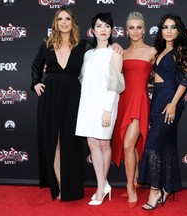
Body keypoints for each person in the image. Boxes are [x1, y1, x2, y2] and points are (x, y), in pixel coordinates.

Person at [31, 7, 122, 202]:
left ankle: (76, 188)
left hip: (74, 97)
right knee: (53, 143)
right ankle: (61, 187)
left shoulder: (84, 46)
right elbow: (36, 66)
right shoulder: (46, 45)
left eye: (68, 19)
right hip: (51, 96)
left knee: (70, 144)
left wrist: (116, 47)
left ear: (73, 23)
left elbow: (103, 50)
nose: (64, 22)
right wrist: (35, 82)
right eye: (60, 19)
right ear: (55, 23)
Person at [138, 14, 187, 210]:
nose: (168, 30)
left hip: (170, 103)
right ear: (161, 30)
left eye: (172, 27)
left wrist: (173, 103)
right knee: (167, 146)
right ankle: (168, 187)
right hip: (157, 102)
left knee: (152, 145)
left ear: (179, 31)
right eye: (165, 27)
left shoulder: (181, 50)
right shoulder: (162, 51)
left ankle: (155, 191)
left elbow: (186, 79)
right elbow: (159, 78)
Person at [75, 12, 123, 206]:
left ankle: (102, 187)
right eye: (100, 26)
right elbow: (83, 80)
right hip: (87, 104)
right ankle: (102, 183)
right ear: (93, 30)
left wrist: (107, 109)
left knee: (104, 144)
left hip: (106, 104)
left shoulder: (116, 53)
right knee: (92, 143)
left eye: (107, 26)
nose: (103, 30)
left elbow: (115, 83)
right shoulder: (87, 54)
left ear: (112, 30)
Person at [111, 12, 156, 208]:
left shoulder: (153, 51)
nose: (135, 31)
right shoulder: (123, 53)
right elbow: (116, 79)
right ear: (126, 30)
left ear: (144, 29)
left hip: (140, 102)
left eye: (139, 27)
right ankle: (136, 179)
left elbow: (163, 77)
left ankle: (129, 186)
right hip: (123, 101)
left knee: (129, 145)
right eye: (132, 28)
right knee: (131, 144)